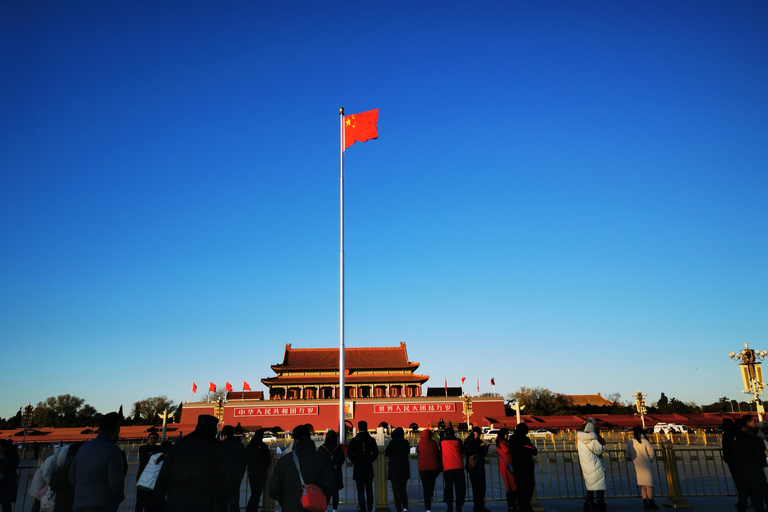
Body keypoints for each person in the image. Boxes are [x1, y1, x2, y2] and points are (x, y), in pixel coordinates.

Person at [153, 414, 227, 512]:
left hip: (175, 501)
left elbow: (163, 476)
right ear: (213, 429)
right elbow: (221, 483)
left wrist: (157, 503)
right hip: (202, 503)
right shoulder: (217, 449)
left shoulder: (179, 445)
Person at [268, 424, 334, 512]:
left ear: (294, 441)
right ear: (309, 438)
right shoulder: (322, 459)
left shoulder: (284, 461)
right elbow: (330, 486)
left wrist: (285, 501)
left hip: (290, 507)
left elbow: (273, 490)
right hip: (315, 508)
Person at [69, 412, 126, 512]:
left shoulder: (84, 447)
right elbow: (116, 483)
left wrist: (82, 492)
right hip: (103, 505)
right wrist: (118, 498)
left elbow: (72, 475)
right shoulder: (113, 451)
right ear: (117, 430)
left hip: (79, 505)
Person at [732, 414, 767, 512]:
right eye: (752, 421)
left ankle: (741, 508)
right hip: (755, 469)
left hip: (741, 469)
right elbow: (760, 451)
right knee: (758, 493)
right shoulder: (754, 437)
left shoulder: (736, 437)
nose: (754, 422)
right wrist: (763, 465)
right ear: (748, 423)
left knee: (743, 494)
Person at [346, 421, 378, 512]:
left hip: (358, 468)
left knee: (360, 490)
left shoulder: (354, 440)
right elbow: (375, 453)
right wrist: (370, 459)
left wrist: (355, 460)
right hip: (368, 467)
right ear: (367, 427)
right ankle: (370, 508)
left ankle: (362, 508)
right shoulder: (371, 440)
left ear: (358, 428)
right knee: (369, 489)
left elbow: (349, 453)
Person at [576, 418, 606, 512]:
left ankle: (587, 504)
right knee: (599, 486)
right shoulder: (593, 440)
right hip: (595, 465)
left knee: (590, 486)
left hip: (586, 465)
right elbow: (600, 450)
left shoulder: (580, 440)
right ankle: (600, 505)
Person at [626, 426, 657, 509]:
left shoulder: (631, 442)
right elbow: (651, 453)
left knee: (643, 485)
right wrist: (650, 460)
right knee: (649, 484)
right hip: (646, 464)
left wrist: (633, 458)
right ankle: (651, 502)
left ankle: (645, 502)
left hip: (637, 464)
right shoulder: (645, 441)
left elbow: (628, 452)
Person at [509, 423, 537, 512]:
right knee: (528, 488)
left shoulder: (512, 438)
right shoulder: (523, 439)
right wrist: (534, 449)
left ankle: (521, 506)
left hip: (517, 466)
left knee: (520, 488)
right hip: (525, 467)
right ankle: (526, 506)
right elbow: (533, 450)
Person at [222, 425, 247, 512]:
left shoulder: (222, 446)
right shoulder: (241, 446)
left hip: (224, 479)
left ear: (224, 435)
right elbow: (244, 462)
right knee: (235, 500)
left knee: (223, 501)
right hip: (237, 477)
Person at [318, 430, 345, 512]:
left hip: (325, 473)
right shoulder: (338, 448)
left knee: (325, 492)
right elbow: (342, 459)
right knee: (335, 492)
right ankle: (334, 509)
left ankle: (325, 508)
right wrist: (336, 465)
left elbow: (319, 461)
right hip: (336, 472)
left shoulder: (322, 448)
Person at [440, 427, 465, 512]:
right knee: (460, 489)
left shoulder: (442, 441)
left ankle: (449, 507)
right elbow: (462, 450)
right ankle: (459, 507)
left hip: (448, 467)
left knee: (448, 488)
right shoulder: (458, 441)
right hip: (459, 466)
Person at [245, 429, 272, 512]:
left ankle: (251, 509)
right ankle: (251, 510)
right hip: (261, 473)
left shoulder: (249, 446)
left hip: (252, 472)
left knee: (254, 493)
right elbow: (267, 460)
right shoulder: (263, 447)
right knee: (257, 494)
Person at [385, 427, 411, 512]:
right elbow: (407, 452)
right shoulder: (405, 442)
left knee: (396, 491)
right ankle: (405, 507)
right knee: (403, 489)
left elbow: (386, 452)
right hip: (404, 469)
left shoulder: (392, 443)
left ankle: (398, 508)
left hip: (394, 469)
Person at [464, 426, 489, 512]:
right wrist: (479, 446)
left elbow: (483, 452)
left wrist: (486, 447)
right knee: (477, 487)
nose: (479, 436)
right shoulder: (469, 441)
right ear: (474, 433)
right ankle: (478, 506)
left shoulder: (478, 441)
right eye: (478, 434)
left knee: (482, 487)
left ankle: (481, 505)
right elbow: (469, 450)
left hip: (480, 465)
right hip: (474, 467)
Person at [417, 428, 441, 512]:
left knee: (425, 487)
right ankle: (431, 494)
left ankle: (428, 507)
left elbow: (418, 451)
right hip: (434, 468)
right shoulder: (434, 443)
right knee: (431, 483)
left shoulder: (420, 443)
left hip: (424, 468)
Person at [135, 433, 161, 512]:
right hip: (143, 477)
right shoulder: (143, 448)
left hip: (153, 479)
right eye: (151, 438)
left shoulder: (158, 449)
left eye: (154, 439)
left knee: (149, 503)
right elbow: (144, 459)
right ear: (148, 439)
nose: (152, 440)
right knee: (140, 502)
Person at [495, 428, 517, 512]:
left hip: (507, 464)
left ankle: (512, 504)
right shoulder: (501, 442)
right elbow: (506, 450)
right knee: (511, 485)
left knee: (512, 485)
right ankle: (512, 505)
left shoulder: (501, 441)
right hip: (506, 465)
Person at [0, 439, 20, 512]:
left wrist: (3, 458)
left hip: (6, 482)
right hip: (6, 482)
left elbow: (12, 464)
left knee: (6, 503)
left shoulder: (11, 454)